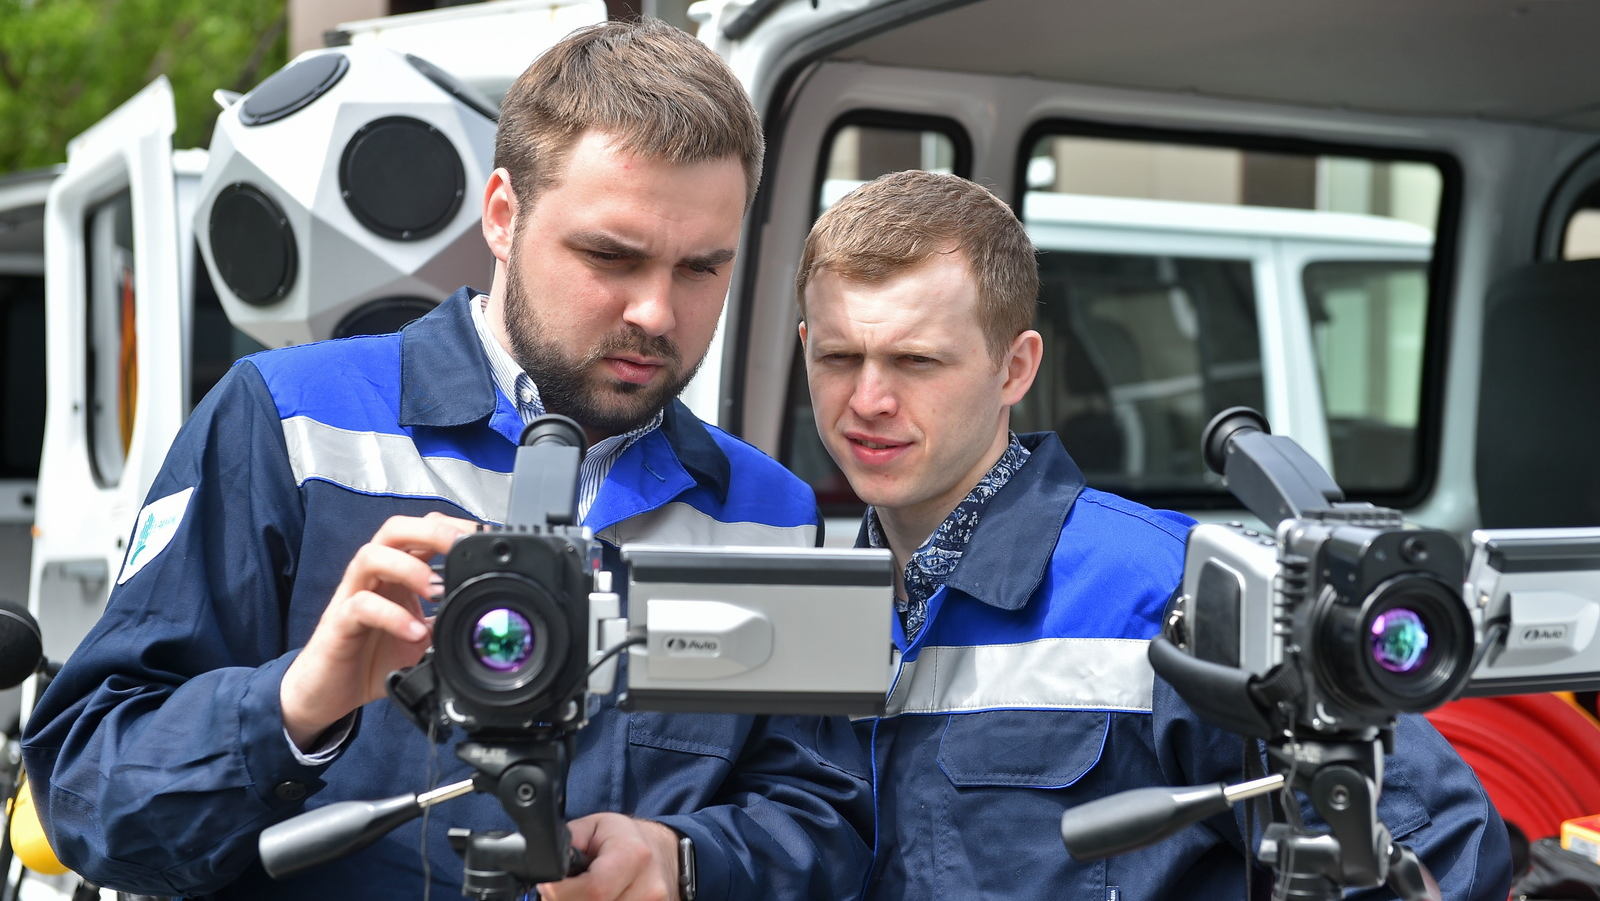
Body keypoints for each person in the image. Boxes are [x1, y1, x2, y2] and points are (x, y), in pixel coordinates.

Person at [22, 20, 871, 901]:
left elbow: (828, 822)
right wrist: (295, 707)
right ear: (502, 216)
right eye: (610, 255)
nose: (657, 310)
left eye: (701, 269)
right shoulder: (291, 421)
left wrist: (684, 859)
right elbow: (88, 793)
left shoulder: (769, 507)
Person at [795, 169, 1512, 901]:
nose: (868, 400)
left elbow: (1442, 849)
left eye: (916, 361)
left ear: (1015, 368)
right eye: (838, 357)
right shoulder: (809, 608)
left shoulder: (1180, 591)